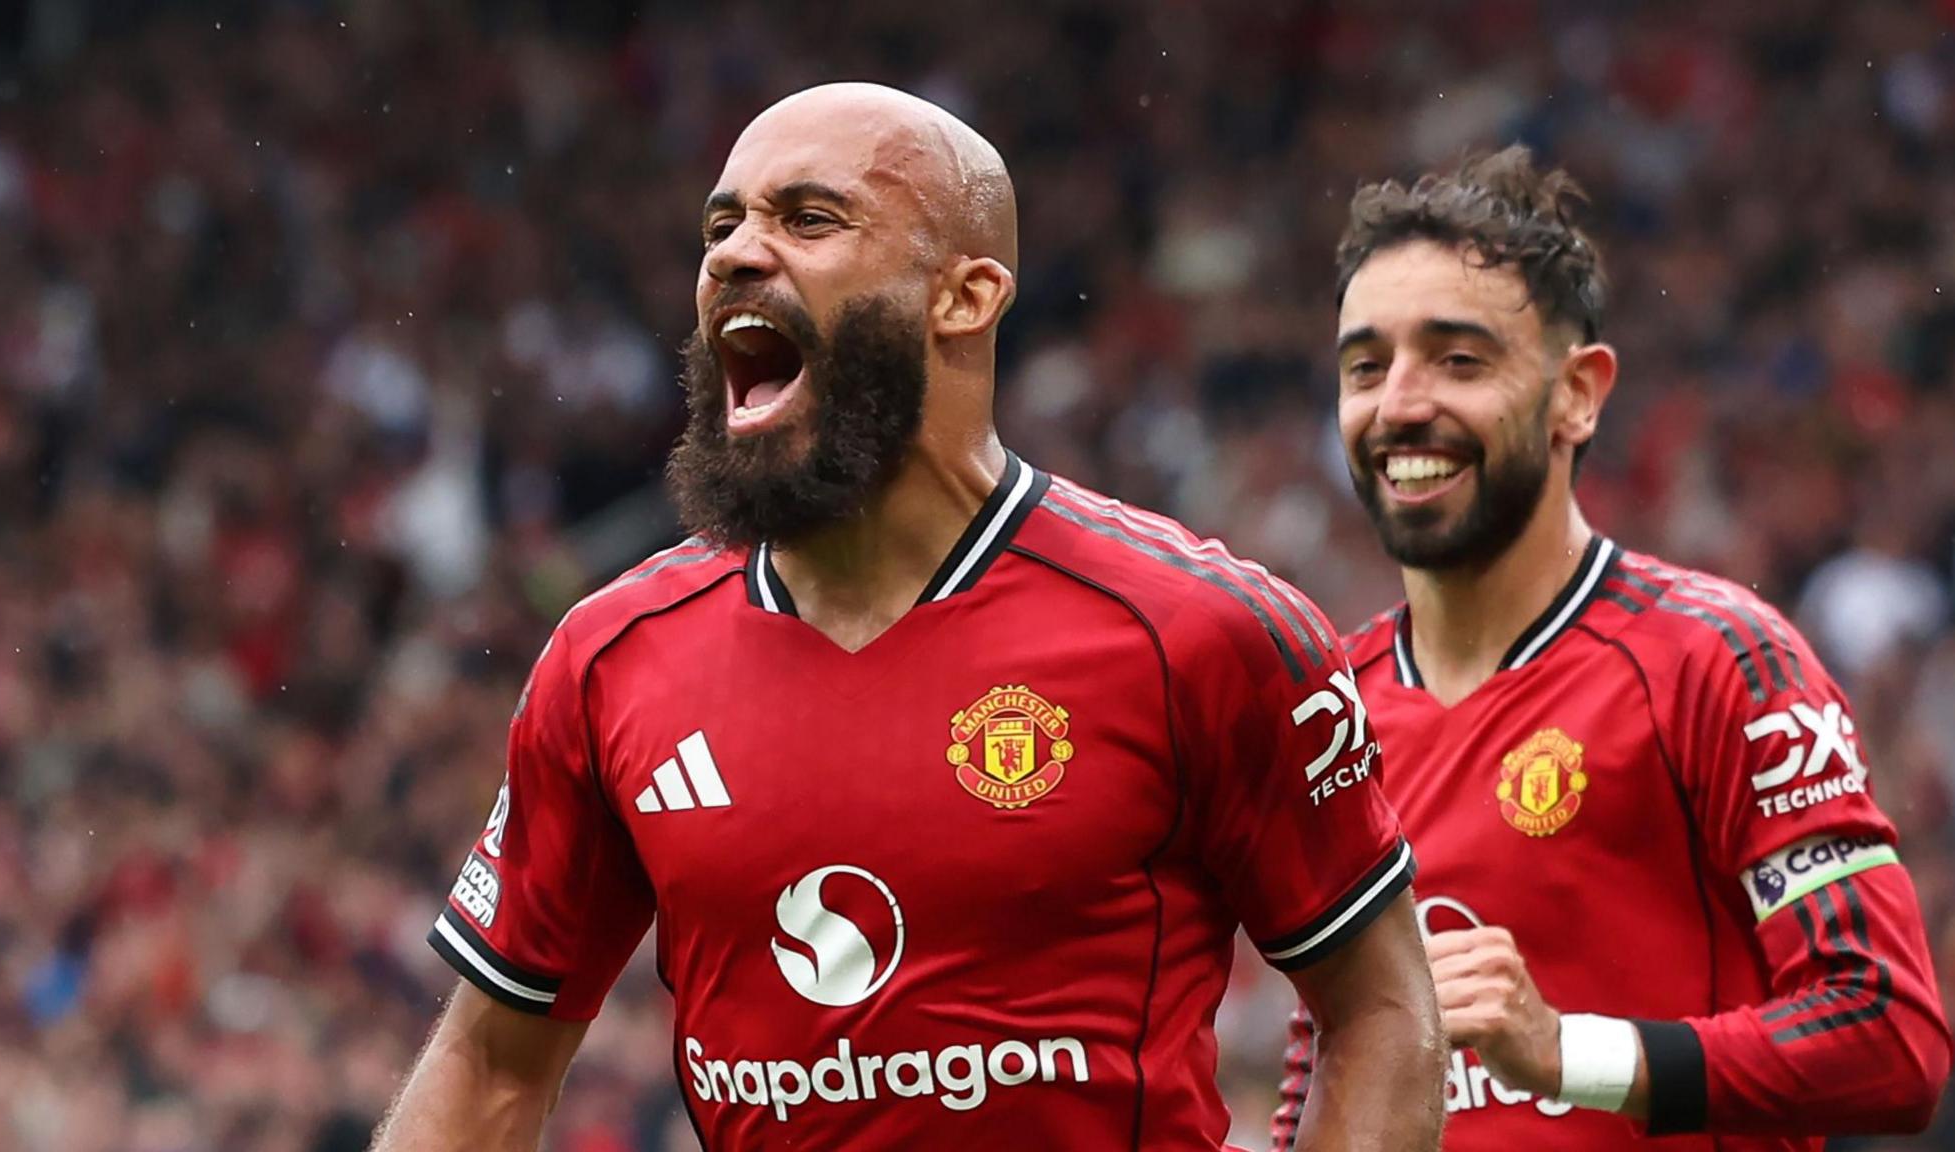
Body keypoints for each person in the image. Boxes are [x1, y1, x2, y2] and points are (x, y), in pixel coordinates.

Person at [370, 82, 1445, 1152]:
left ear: (964, 296)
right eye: (721, 225)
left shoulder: (1202, 633)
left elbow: (1385, 1014)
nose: (736, 254)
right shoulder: (610, 662)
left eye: (807, 219)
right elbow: (488, 1067)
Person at [1272, 146, 1954, 1151]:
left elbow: (1886, 1034)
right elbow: (1319, 1081)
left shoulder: (1717, 662)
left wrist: (1565, 1053)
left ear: (1577, 394)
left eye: (1457, 360)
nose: (1400, 404)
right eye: (1365, 366)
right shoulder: (1330, 716)